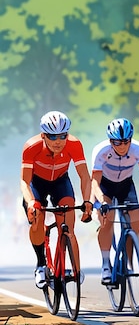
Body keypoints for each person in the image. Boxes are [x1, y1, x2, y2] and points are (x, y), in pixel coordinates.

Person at [20, 111, 93, 288]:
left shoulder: (74, 145)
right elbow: (24, 181)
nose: (58, 141)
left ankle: (75, 269)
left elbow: (84, 176)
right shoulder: (31, 146)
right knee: (37, 218)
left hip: (60, 182)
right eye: (52, 137)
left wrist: (87, 201)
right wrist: (30, 202)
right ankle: (40, 264)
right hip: (37, 184)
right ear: (43, 135)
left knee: (68, 225)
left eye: (63, 135)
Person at [91, 118, 139, 284]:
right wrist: (101, 202)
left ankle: (128, 263)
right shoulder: (101, 150)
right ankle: (106, 264)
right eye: (117, 142)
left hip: (126, 185)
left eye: (125, 142)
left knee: (135, 225)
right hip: (105, 187)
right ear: (110, 141)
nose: (122, 146)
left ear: (131, 139)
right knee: (107, 220)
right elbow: (94, 181)